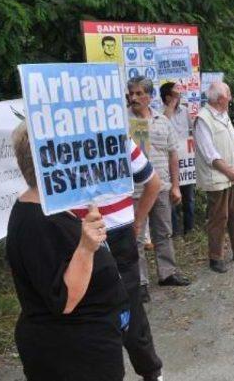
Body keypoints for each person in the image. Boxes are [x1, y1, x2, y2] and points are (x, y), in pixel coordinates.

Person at [6, 122, 129, 380]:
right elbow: (64, 299)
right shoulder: (38, 220)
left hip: (86, 349)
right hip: (72, 358)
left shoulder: (51, 208)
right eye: (73, 151)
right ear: (52, 160)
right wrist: (86, 247)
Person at [69, 133, 166, 378]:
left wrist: (137, 223)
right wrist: (138, 222)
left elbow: (153, 183)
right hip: (112, 234)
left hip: (81, 235)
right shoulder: (119, 138)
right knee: (130, 309)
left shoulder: (60, 143)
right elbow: (153, 183)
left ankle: (150, 371)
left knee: (90, 312)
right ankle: (152, 372)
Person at [128, 76, 191, 288]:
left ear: (149, 96)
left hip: (162, 187)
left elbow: (173, 154)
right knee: (136, 237)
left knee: (163, 231)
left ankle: (167, 273)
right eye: (131, 93)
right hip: (136, 191)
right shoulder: (122, 122)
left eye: (138, 93)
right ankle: (140, 282)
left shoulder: (162, 121)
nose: (133, 97)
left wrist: (175, 186)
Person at [194, 82, 234, 273]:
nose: (231, 97)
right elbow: (210, 154)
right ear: (220, 99)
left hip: (231, 175)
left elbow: (232, 142)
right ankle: (215, 257)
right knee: (219, 218)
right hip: (217, 177)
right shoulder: (203, 119)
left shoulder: (223, 114)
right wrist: (230, 171)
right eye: (229, 94)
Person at [161, 82, 195, 237]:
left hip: (186, 162)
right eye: (176, 94)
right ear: (168, 97)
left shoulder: (185, 111)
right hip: (169, 163)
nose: (179, 96)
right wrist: (172, 103)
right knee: (172, 199)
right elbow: (164, 123)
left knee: (189, 197)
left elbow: (192, 132)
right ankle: (175, 232)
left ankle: (190, 229)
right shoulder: (160, 113)